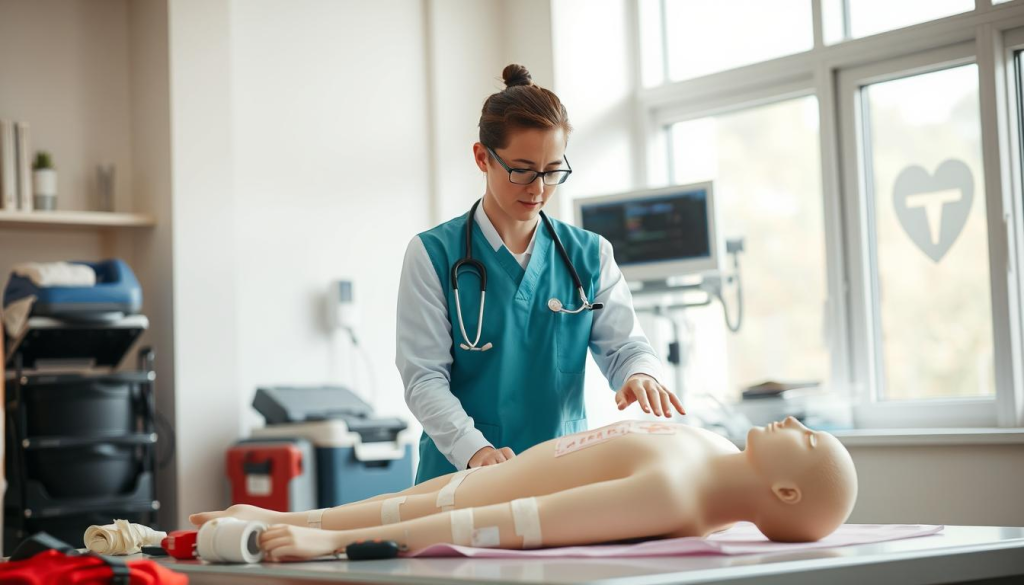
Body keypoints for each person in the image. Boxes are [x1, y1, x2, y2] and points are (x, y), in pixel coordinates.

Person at [396, 63, 683, 484]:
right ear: (482, 158)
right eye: (522, 169)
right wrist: (476, 451)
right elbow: (423, 378)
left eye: (552, 171)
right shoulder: (433, 254)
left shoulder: (589, 254)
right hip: (461, 476)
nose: (538, 189)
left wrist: (640, 374)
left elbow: (626, 347)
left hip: (561, 475)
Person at [189, 416, 859, 561]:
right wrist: (311, 517)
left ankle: (304, 516)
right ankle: (282, 510)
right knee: (404, 499)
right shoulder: (709, 441)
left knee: (409, 507)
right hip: (474, 478)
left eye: (808, 441)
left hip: (476, 498)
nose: (797, 422)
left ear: (787, 493)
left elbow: (510, 522)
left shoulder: (674, 496)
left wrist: (336, 539)